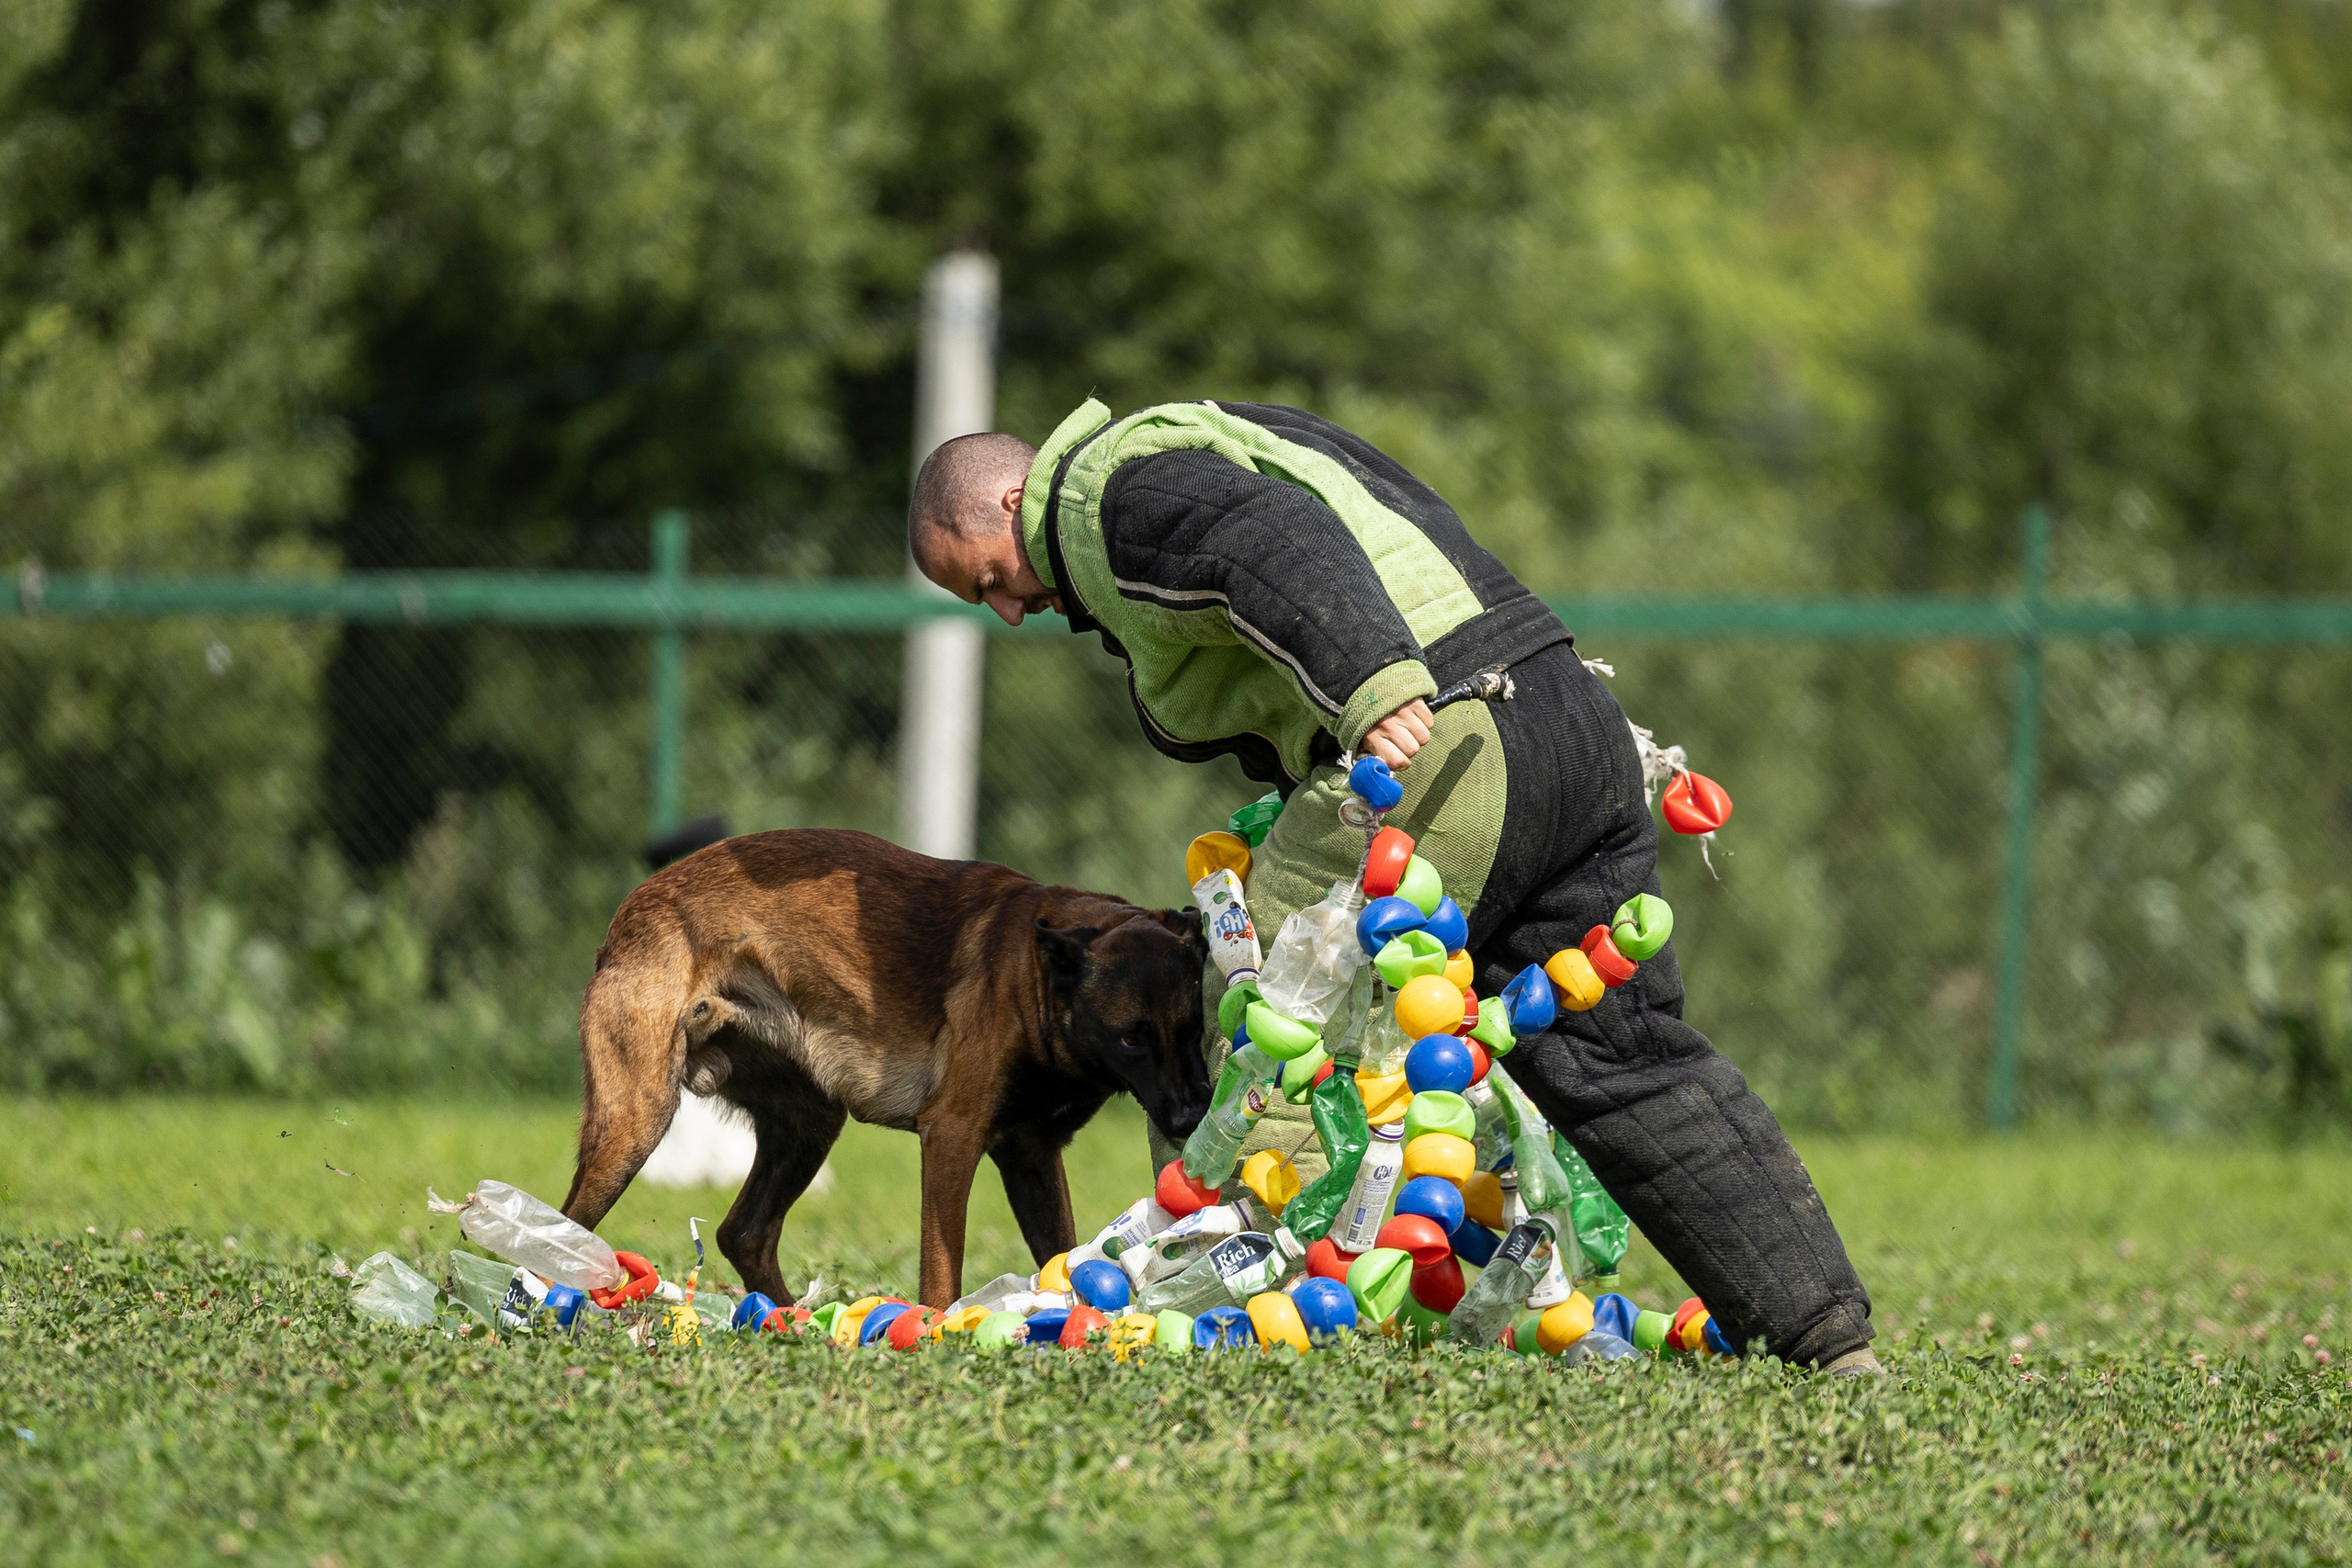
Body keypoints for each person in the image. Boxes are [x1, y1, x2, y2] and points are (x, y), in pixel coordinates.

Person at [908, 397, 1883, 1373]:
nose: (1006, 608)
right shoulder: (1221, 430)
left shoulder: (1106, 491)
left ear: (1010, 496)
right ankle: (1819, 1331)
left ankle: (1241, 1323)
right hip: (1570, 724)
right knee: (1627, 1057)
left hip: (1440, 735)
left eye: (990, 575)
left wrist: (1372, 684)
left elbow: (1268, 536)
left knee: (1269, 1015)